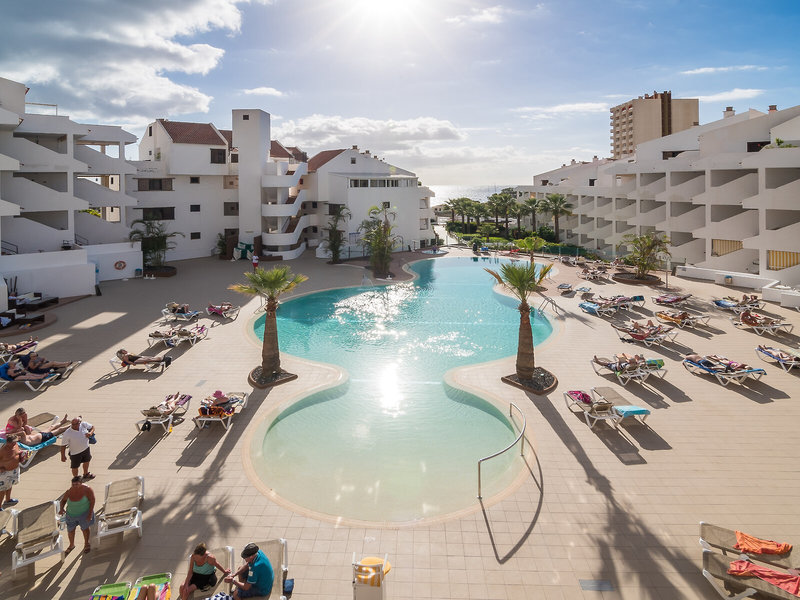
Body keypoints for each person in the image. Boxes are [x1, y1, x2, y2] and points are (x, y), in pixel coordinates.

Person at [58, 475, 95, 554]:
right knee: (70, 531)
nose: (74, 486)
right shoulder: (69, 491)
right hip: (71, 515)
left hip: (84, 514)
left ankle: (86, 543)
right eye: (73, 484)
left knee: (85, 529)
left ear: (81, 483)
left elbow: (92, 501)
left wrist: (90, 514)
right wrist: (61, 509)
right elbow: (63, 500)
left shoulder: (87, 490)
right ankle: (71, 545)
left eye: (77, 484)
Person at [60, 417, 96, 481]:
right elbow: (63, 445)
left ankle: (86, 473)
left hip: (86, 448)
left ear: (79, 423)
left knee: (87, 461)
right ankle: (76, 478)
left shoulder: (83, 424)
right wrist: (63, 455)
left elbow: (93, 427)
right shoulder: (67, 433)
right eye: (72, 424)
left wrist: (90, 433)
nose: (73, 426)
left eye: (75, 424)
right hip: (75, 453)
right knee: (75, 466)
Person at [0, 433, 25, 507]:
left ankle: (8, 499)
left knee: (10, 485)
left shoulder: (16, 445)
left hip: (14, 470)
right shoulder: (3, 450)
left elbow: (17, 453)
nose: (14, 443)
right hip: (4, 472)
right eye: (9, 443)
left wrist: (21, 455)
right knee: (2, 490)